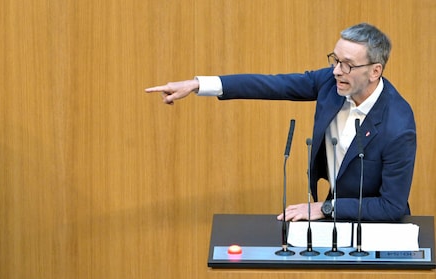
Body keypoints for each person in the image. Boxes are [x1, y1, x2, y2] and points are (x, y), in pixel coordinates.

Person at [145, 23, 415, 222]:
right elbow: (273, 85)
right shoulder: (331, 83)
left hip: (377, 227)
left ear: (374, 71)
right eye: (335, 60)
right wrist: (197, 84)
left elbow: (391, 207)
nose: (336, 71)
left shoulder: (397, 125)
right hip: (335, 219)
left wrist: (324, 208)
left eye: (347, 65)